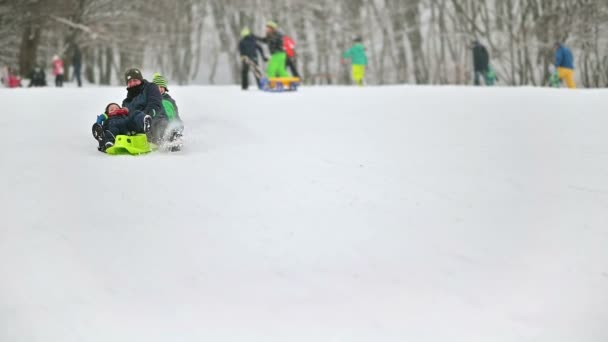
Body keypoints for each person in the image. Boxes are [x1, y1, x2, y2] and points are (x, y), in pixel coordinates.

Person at [152, 73, 184, 151]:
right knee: (163, 123)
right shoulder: (152, 100)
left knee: (176, 126)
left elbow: (176, 114)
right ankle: (164, 141)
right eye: (157, 87)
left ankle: (175, 140)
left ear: (165, 88)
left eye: (161, 87)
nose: (159, 89)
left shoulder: (170, 101)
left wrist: (179, 122)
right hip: (158, 121)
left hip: (170, 121)